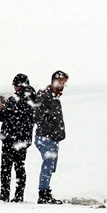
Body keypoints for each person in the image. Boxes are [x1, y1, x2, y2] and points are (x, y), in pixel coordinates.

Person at [0, 73, 37, 202]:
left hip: (10, 138)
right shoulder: (34, 99)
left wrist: (0, 108)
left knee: (6, 167)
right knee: (20, 167)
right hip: (23, 139)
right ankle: (19, 195)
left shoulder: (14, 99)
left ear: (17, 85)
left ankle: (4, 194)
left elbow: (2, 116)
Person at [33, 70, 68, 205]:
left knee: (51, 165)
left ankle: (45, 192)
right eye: (61, 82)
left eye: (64, 83)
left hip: (51, 137)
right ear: (54, 81)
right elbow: (38, 116)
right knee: (48, 163)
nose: (63, 85)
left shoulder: (53, 96)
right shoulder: (45, 95)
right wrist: (51, 131)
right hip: (45, 136)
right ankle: (43, 193)